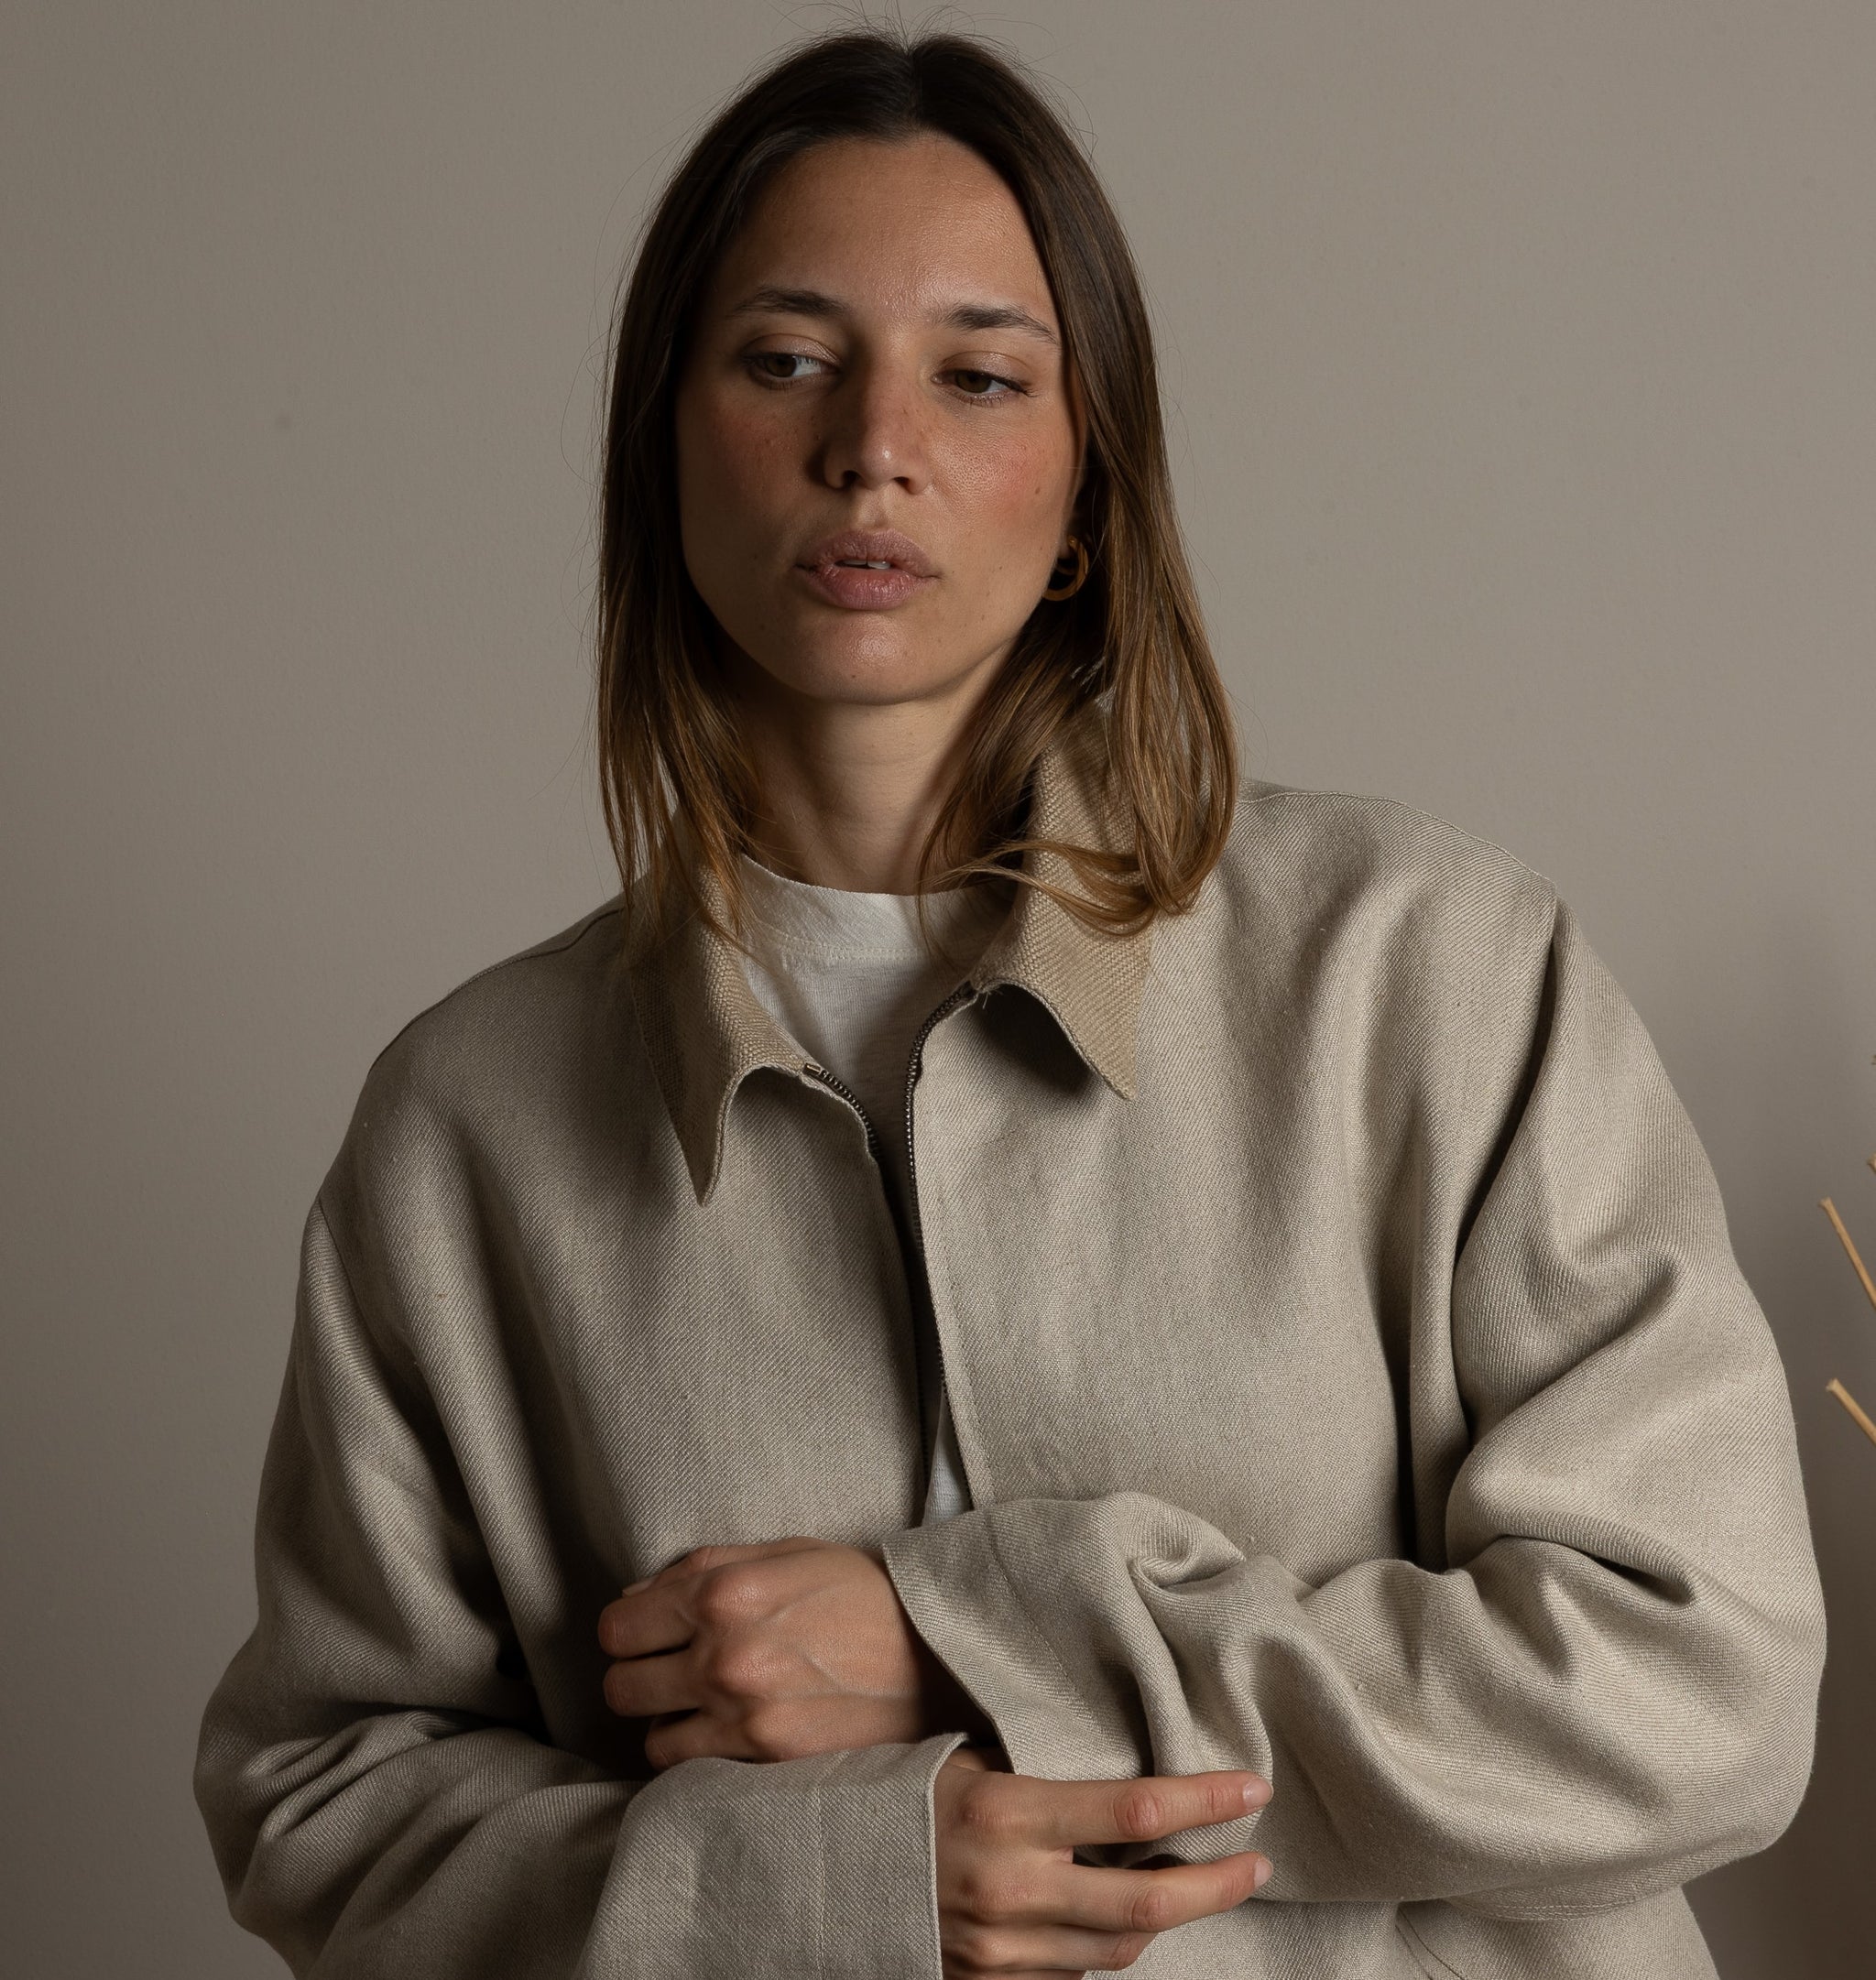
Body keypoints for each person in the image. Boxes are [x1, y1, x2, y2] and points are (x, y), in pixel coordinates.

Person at [195, 27, 1827, 1980]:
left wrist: (970, 1637)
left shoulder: (1431, 973)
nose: (870, 443)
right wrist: (829, 1884)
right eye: (783, 358)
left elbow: (1700, 1676)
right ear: (664, 445)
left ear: (1084, 492)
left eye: (977, 375)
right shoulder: (469, 1124)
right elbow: (326, 1805)